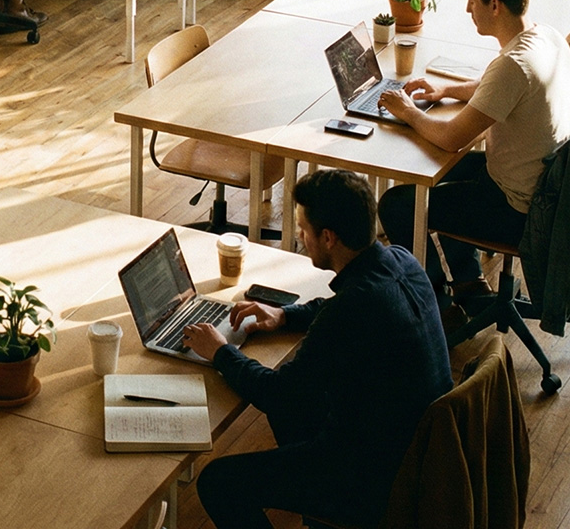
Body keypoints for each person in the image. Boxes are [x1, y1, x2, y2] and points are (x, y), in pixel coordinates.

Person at [183, 169, 451, 529]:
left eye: (302, 228)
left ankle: (327, 506)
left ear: (327, 238)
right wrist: (284, 315)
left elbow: (278, 394)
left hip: (372, 476)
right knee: (296, 405)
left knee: (219, 482)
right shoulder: (402, 261)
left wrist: (219, 352)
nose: (299, 236)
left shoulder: (351, 310)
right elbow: (337, 307)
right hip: (413, 447)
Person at [377, 0, 570, 322]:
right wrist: (444, 92)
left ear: (494, 5)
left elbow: (450, 137)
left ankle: (437, 306)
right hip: (545, 185)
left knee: (399, 204)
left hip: (519, 209)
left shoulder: (512, 66)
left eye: (471, 1)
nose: (467, 9)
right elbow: (492, 89)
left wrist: (409, 111)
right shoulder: (545, 36)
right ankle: (470, 284)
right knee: (443, 180)